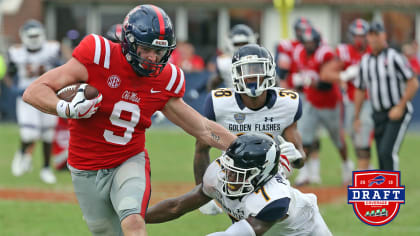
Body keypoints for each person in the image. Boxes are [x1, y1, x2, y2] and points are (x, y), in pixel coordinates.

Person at [22, 4, 237, 236]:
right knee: (106, 231)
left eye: (159, 51)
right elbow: (34, 91)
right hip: (85, 167)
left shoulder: (165, 79)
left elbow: (202, 128)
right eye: (146, 49)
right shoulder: (99, 55)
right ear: (129, 41)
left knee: (133, 221)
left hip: (128, 160)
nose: (153, 58)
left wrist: (241, 146)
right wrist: (65, 108)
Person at [146, 133, 332, 236]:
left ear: (260, 176)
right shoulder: (220, 173)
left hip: (306, 231)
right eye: (229, 170)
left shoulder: (274, 198)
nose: (229, 177)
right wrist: (136, 218)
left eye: (238, 174)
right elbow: (176, 206)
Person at [194, 44, 305, 214]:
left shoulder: (287, 104)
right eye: (246, 70)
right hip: (233, 178)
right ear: (236, 74)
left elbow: (300, 158)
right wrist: (202, 194)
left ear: (270, 70)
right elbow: (201, 150)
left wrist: (295, 157)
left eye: (258, 69)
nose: (252, 75)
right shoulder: (220, 104)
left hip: (271, 177)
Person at [291, 27, 353, 185]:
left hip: (330, 104)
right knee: (304, 139)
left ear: (317, 41)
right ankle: (304, 173)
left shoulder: (324, 54)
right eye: (306, 41)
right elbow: (300, 75)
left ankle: (347, 167)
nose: (309, 44)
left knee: (338, 140)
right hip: (311, 103)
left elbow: (327, 83)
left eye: (312, 41)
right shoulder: (299, 53)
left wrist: (312, 82)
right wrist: (299, 82)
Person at [354, 21, 419, 170]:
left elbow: (413, 83)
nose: (373, 38)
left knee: (387, 152)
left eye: (376, 34)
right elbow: (360, 89)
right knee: (381, 153)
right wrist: (357, 116)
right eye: (370, 35)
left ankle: (392, 189)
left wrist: (400, 106)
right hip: (378, 114)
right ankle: (384, 187)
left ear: (384, 35)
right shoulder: (365, 61)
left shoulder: (394, 57)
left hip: (396, 112)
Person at [9, 19, 62, 184]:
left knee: (48, 134)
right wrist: (13, 87)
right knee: (30, 133)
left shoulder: (52, 49)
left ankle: (46, 168)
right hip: (27, 96)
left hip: (47, 93)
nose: (33, 38)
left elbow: (62, 68)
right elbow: (9, 73)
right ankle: (22, 153)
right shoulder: (15, 52)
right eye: (30, 35)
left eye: (36, 35)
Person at [322, 18, 374, 170]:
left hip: (371, 99)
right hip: (351, 100)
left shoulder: (373, 51)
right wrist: (343, 75)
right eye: (356, 35)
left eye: (362, 35)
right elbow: (325, 73)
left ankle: (364, 171)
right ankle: (367, 166)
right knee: (352, 134)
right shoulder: (344, 52)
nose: (359, 39)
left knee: (363, 131)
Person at [207, 24, 257, 90]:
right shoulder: (224, 62)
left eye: (244, 43)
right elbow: (213, 82)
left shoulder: (261, 58)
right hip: (234, 97)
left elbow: (273, 79)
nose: (241, 47)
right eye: (237, 44)